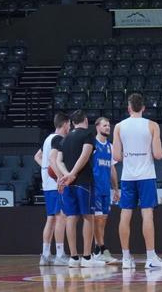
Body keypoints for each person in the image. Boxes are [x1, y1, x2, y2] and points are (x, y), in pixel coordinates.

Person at [113, 93, 162, 269]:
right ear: (143, 107)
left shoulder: (119, 127)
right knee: (147, 214)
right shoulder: (152, 125)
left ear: (129, 108)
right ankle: (150, 257)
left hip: (128, 176)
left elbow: (116, 156)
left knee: (125, 214)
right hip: (146, 175)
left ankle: (126, 258)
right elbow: (158, 155)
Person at [56, 110, 106, 268]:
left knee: (71, 217)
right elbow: (85, 156)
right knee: (88, 217)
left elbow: (58, 160)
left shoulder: (66, 138)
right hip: (83, 181)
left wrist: (66, 175)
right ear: (85, 120)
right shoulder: (88, 134)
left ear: (72, 122)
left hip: (69, 183)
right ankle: (86, 257)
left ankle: (73, 258)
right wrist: (72, 174)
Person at [34, 112, 70, 266]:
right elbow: (51, 160)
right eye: (69, 124)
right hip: (55, 184)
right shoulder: (58, 139)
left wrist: (46, 170)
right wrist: (60, 176)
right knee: (61, 217)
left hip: (47, 184)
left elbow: (37, 157)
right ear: (65, 124)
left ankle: (46, 254)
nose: (70, 127)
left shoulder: (48, 138)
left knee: (51, 218)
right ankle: (60, 254)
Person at [91, 117, 120, 264]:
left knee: (103, 220)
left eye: (109, 125)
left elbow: (112, 168)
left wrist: (116, 188)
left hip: (105, 189)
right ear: (97, 127)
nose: (108, 127)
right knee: (97, 220)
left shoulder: (110, 146)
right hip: (94, 187)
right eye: (104, 125)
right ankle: (101, 249)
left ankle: (98, 250)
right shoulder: (92, 144)